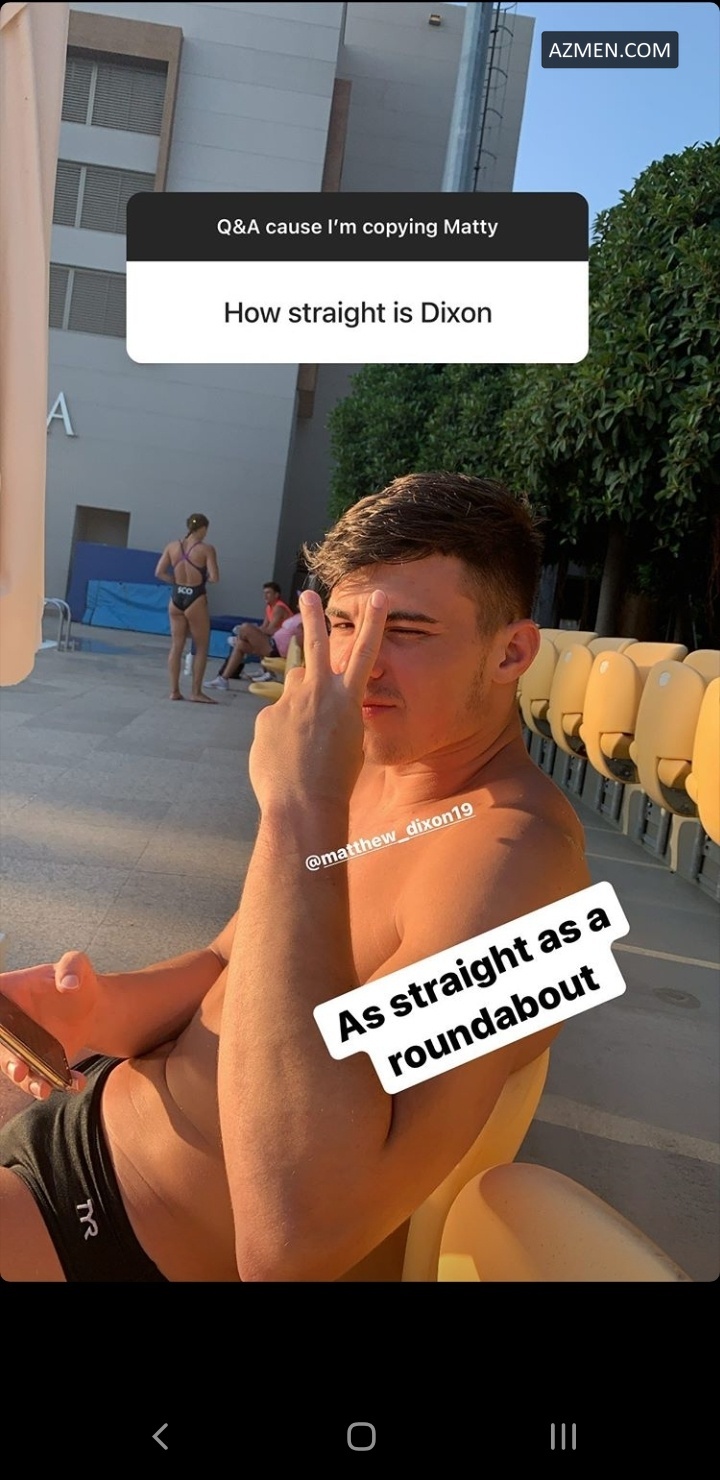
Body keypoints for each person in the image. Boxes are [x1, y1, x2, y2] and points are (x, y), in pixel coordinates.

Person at [0, 472, 590, 1282]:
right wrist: (98, 1010)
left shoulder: (527, 877)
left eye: (404, 631)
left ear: (511, 652)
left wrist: (299, 807)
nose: (356, 665)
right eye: (342, 624)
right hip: (84, 1118)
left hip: (108, 1231)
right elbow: (227, 965)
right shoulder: (375, 774)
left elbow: (295, 1243)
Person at [154, 513, 219, 702]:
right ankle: (196, 692)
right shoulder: (207, 549)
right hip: (195, 597)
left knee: (176, 646)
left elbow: (159, 572)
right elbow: (215, 577)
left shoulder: (172, 546)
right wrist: (203, 580)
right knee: (201, 646)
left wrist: (175, 581)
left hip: (176, 597)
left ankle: (174, 691)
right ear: (203, 528)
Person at [206, 581, 293, 689]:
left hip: (279, 647)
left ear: (276, 595)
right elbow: (264, 627)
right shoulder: (269, 607)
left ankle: (267, 671)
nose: (265, 596)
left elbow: (270, 631)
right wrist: (255, 631)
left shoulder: (279, 608)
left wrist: (252, 631)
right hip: (272, 644)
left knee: (245, 627)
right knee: (240, 645)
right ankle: (223, 679)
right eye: (264, 593)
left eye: (268, 593)